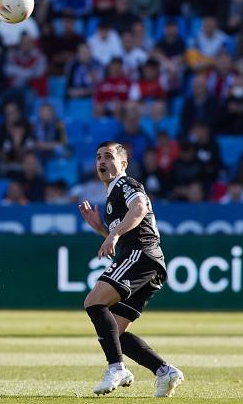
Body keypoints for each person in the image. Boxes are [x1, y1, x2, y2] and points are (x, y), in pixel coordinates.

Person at [78, 141, 184, 397]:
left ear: (123, 164)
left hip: (142, 253)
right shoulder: (112, 195)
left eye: (109, 156)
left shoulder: (127, 184)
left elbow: (140, 209)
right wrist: (101, 229)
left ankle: (116, 368)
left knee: (93, 302)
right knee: (115, 330)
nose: (101, 161)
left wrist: (112, 235)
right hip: (150, 262)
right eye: (98, 157)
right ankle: (164, 370)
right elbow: (127, 228)